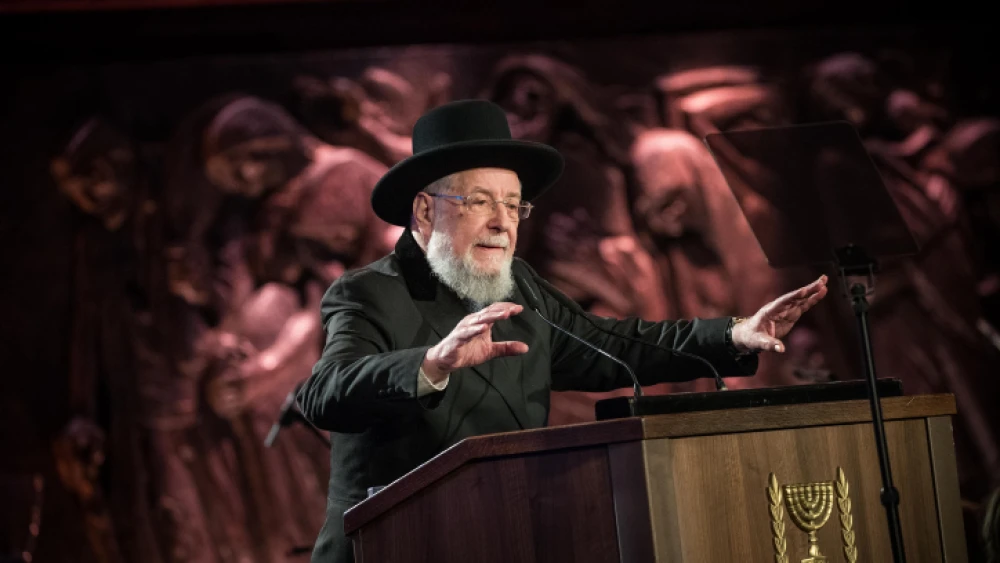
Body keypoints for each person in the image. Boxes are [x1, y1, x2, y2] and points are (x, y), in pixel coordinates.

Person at [296, 99, 828, 563]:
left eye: (513, 204)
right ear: (424, 210)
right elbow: (324, 393)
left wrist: (733, 334)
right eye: (480, 201)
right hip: (396, 548)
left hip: (512, 541)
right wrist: (432, 363)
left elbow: (614, 345)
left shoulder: (520, 287)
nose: (504, 222)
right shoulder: (368, 292)